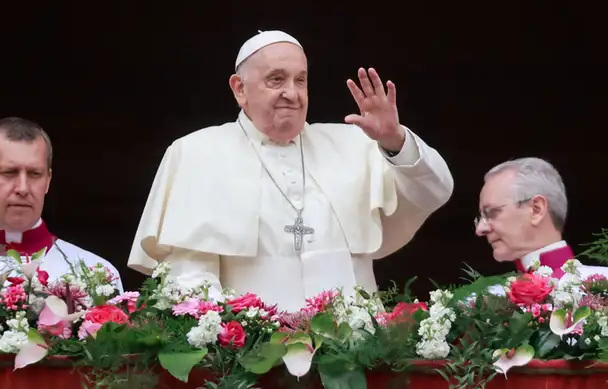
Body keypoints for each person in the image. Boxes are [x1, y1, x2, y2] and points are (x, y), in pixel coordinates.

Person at [128, 30, 454, 311]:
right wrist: (229, 345)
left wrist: (394, 140)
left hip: (354, 359)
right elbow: (190, 276)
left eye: (301, 80)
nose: (292, 93)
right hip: (253, 365)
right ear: (239, 88)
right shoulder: (197, 153)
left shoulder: (357, 143)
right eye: (276, 79)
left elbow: (435, 191)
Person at [0, 117, 122, 289]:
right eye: (9, 173)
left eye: (35, 174)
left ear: (48, 181)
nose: (23, 188)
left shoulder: (98, 274)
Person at [474, 157, 608, 290]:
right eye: (480, 218)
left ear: (536, 209)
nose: (480, 229)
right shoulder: (487, 302)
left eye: (492, 213)